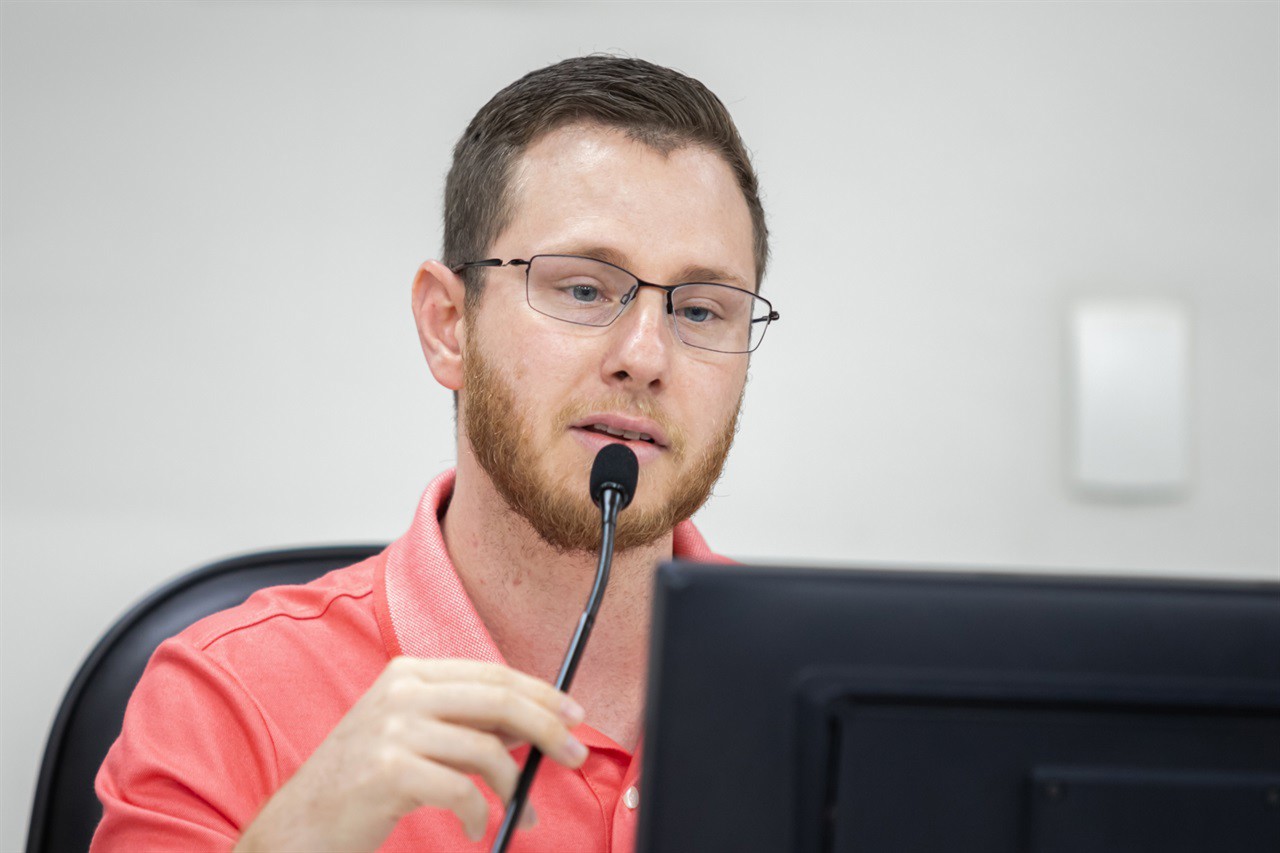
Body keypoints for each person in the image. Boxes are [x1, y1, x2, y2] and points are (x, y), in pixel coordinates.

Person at [91, 55, 778, 853]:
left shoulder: (838, 678)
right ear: (448, 323)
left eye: (701, 308)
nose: (646, 355)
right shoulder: (226, 698)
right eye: (584, 289)